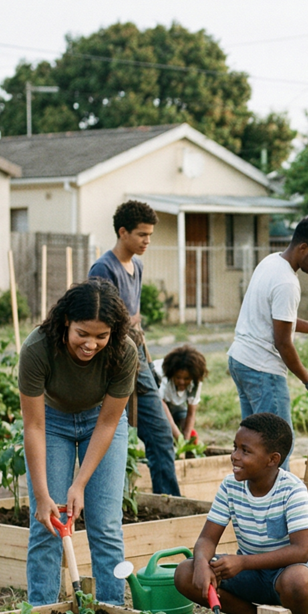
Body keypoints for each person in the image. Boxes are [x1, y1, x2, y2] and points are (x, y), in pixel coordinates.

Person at [20, 280, 137, 606]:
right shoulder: (38, 348)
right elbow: (33, 426)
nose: (91, 344)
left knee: (106, 525)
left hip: (100, 420)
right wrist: (42, 496)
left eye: (101, 336)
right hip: (50, 422)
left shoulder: (124, 351)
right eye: (82, 334)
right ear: (66, 322)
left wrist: (80, 483)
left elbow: (109, 422)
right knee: (46, 524)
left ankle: (112, 611)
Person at [174, 413, 308, 614]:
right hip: (252, 572)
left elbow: (301, 551)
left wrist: (243, 562)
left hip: (291, 570)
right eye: (235, 447)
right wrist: (203, 564)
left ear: (272, 459)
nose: (235, 456)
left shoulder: (292, 490)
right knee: (185, 572)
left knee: (297, 581)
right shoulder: (230, 486)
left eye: (245, 451)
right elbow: (207, 539)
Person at [228, 215, 308, 462]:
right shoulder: (287, 282)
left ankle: (253, 489)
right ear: (303, 247)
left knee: (252, 446)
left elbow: (281, 318)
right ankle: (281, 490)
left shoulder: (271, 262)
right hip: (262, 371)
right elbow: (282, 342)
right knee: (278, 448)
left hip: (241, 361)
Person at [88, 200, 179, 496]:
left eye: (150, 235)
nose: (147, 241)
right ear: (123, 232)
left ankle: (169, 501)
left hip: (135, 353)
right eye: (142, 234)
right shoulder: (104, 268)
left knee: (160, 433)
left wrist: (131, 323)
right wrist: (127, 322)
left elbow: (130, 317)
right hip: (111, 360)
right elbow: (100, 321)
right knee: (108, 434)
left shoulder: (136, 265)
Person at [160, 345, 207, 442]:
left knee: (189, 432)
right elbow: (161, 406)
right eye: (178, 377)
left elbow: (191, 413)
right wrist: (178, 437)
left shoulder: (195, 383)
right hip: (157, 405)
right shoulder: (161, 375)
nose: (182, 382)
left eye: (186, 379)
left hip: (176, 405)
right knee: (166, 431)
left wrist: (186, 438)